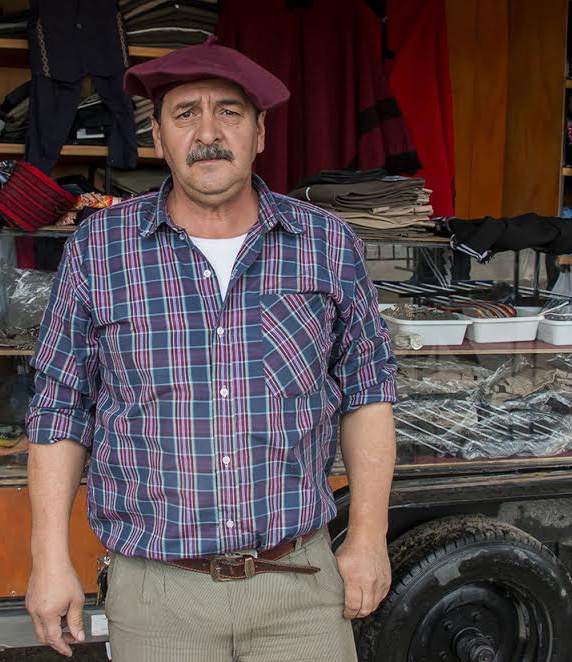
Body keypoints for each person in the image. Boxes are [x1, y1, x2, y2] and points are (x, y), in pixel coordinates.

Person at [24, 37, 398, 662]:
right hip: (158, 594)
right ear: (158, 137)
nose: (207, 133)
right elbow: (61, 409)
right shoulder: (101, 250)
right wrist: (48, 558)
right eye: (185, 113)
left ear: (260, 134)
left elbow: (367, 391)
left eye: (228, 112)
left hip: (299, 587)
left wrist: (368, 535)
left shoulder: (326, 245)